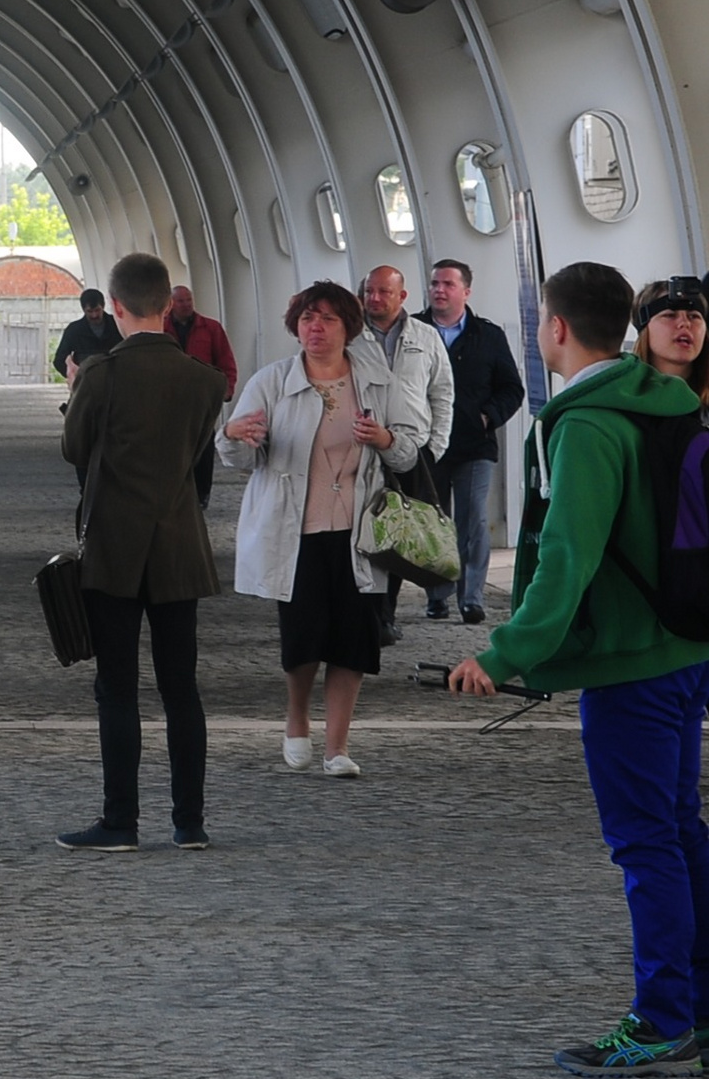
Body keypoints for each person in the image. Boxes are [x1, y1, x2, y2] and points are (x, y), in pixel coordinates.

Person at [451, 262, 709, 1077]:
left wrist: (503, 655)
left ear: (554, 328)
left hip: (630, 667)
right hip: (687, 646)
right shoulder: (671, 403)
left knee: (646, 847)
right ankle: (698, 1011)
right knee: (680, 833)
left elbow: (567, 559)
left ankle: (663, 1019)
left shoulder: (589, 425)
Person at [54, 253, 229, 852]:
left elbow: (75, 449)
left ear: (118, 307)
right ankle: (190, 822)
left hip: (114, 551)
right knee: (182, 687)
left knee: (117, 688)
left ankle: (120, 822)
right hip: (180, 548)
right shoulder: (205, 380)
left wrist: (76, 389)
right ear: (166, 305)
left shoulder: (102, 375)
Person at [219, 281, 430, 778]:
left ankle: (338, 745)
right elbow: (235, 455)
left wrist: (384, 438)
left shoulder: (376, 384)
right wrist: (233, 434)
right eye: (308, 317)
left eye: (329, 318)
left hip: (361, 532)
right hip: (296, 530)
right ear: (295, 326)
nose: (317, 327)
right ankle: (296, 719)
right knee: (303, 639)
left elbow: (408, 450)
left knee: (354, 640)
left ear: (348, 328)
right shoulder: (272, 382)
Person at [362, 264, 457, 644]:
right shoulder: (351, 336)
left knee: (402, 536)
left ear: (402, 296)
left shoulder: (425, 336)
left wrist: (436, 445)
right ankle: (369, 614)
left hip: (413, 451)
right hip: (363, 449)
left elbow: (442, 393)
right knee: (367, 533)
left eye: (384, 292)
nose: (375, 298)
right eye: (370, 291)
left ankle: (386, 614)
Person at [429, 258, 525, 624]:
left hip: (474, 444)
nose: (439, 289)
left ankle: (471, 597)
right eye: (435, 283)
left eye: (448, 284)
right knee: (434, 522)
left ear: (465, 291)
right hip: (429, 446)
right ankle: (436, 594)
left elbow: (511, 388)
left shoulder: (489, 335)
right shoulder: (417, 330)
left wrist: (487, 416)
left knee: (472, 522)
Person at [164, 284, 238, 507]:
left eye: (188, 300)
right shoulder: (161, 328)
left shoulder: (211, 328)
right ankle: (177, 490)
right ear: (171, 304)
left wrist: (227, 389)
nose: (186, 305)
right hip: (171, 397)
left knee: (204, 445)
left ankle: (201, 494)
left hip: (202, 397)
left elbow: (226, 361)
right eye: (181, 301)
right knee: (174, 445)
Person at [633, 275, 709, 402]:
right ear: (644, 328)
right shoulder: (622, 399)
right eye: (670, 315)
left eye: (694, 316)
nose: (685, 323)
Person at [54, 289, 120, 383]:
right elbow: (59, 360)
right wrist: (75, 376)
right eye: (90, 311)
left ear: (103, 306)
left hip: (114, 381)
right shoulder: (74, 330)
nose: (94, 315)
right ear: (83, 309)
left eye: (97, 310)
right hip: (85, 383)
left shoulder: (117, 325)